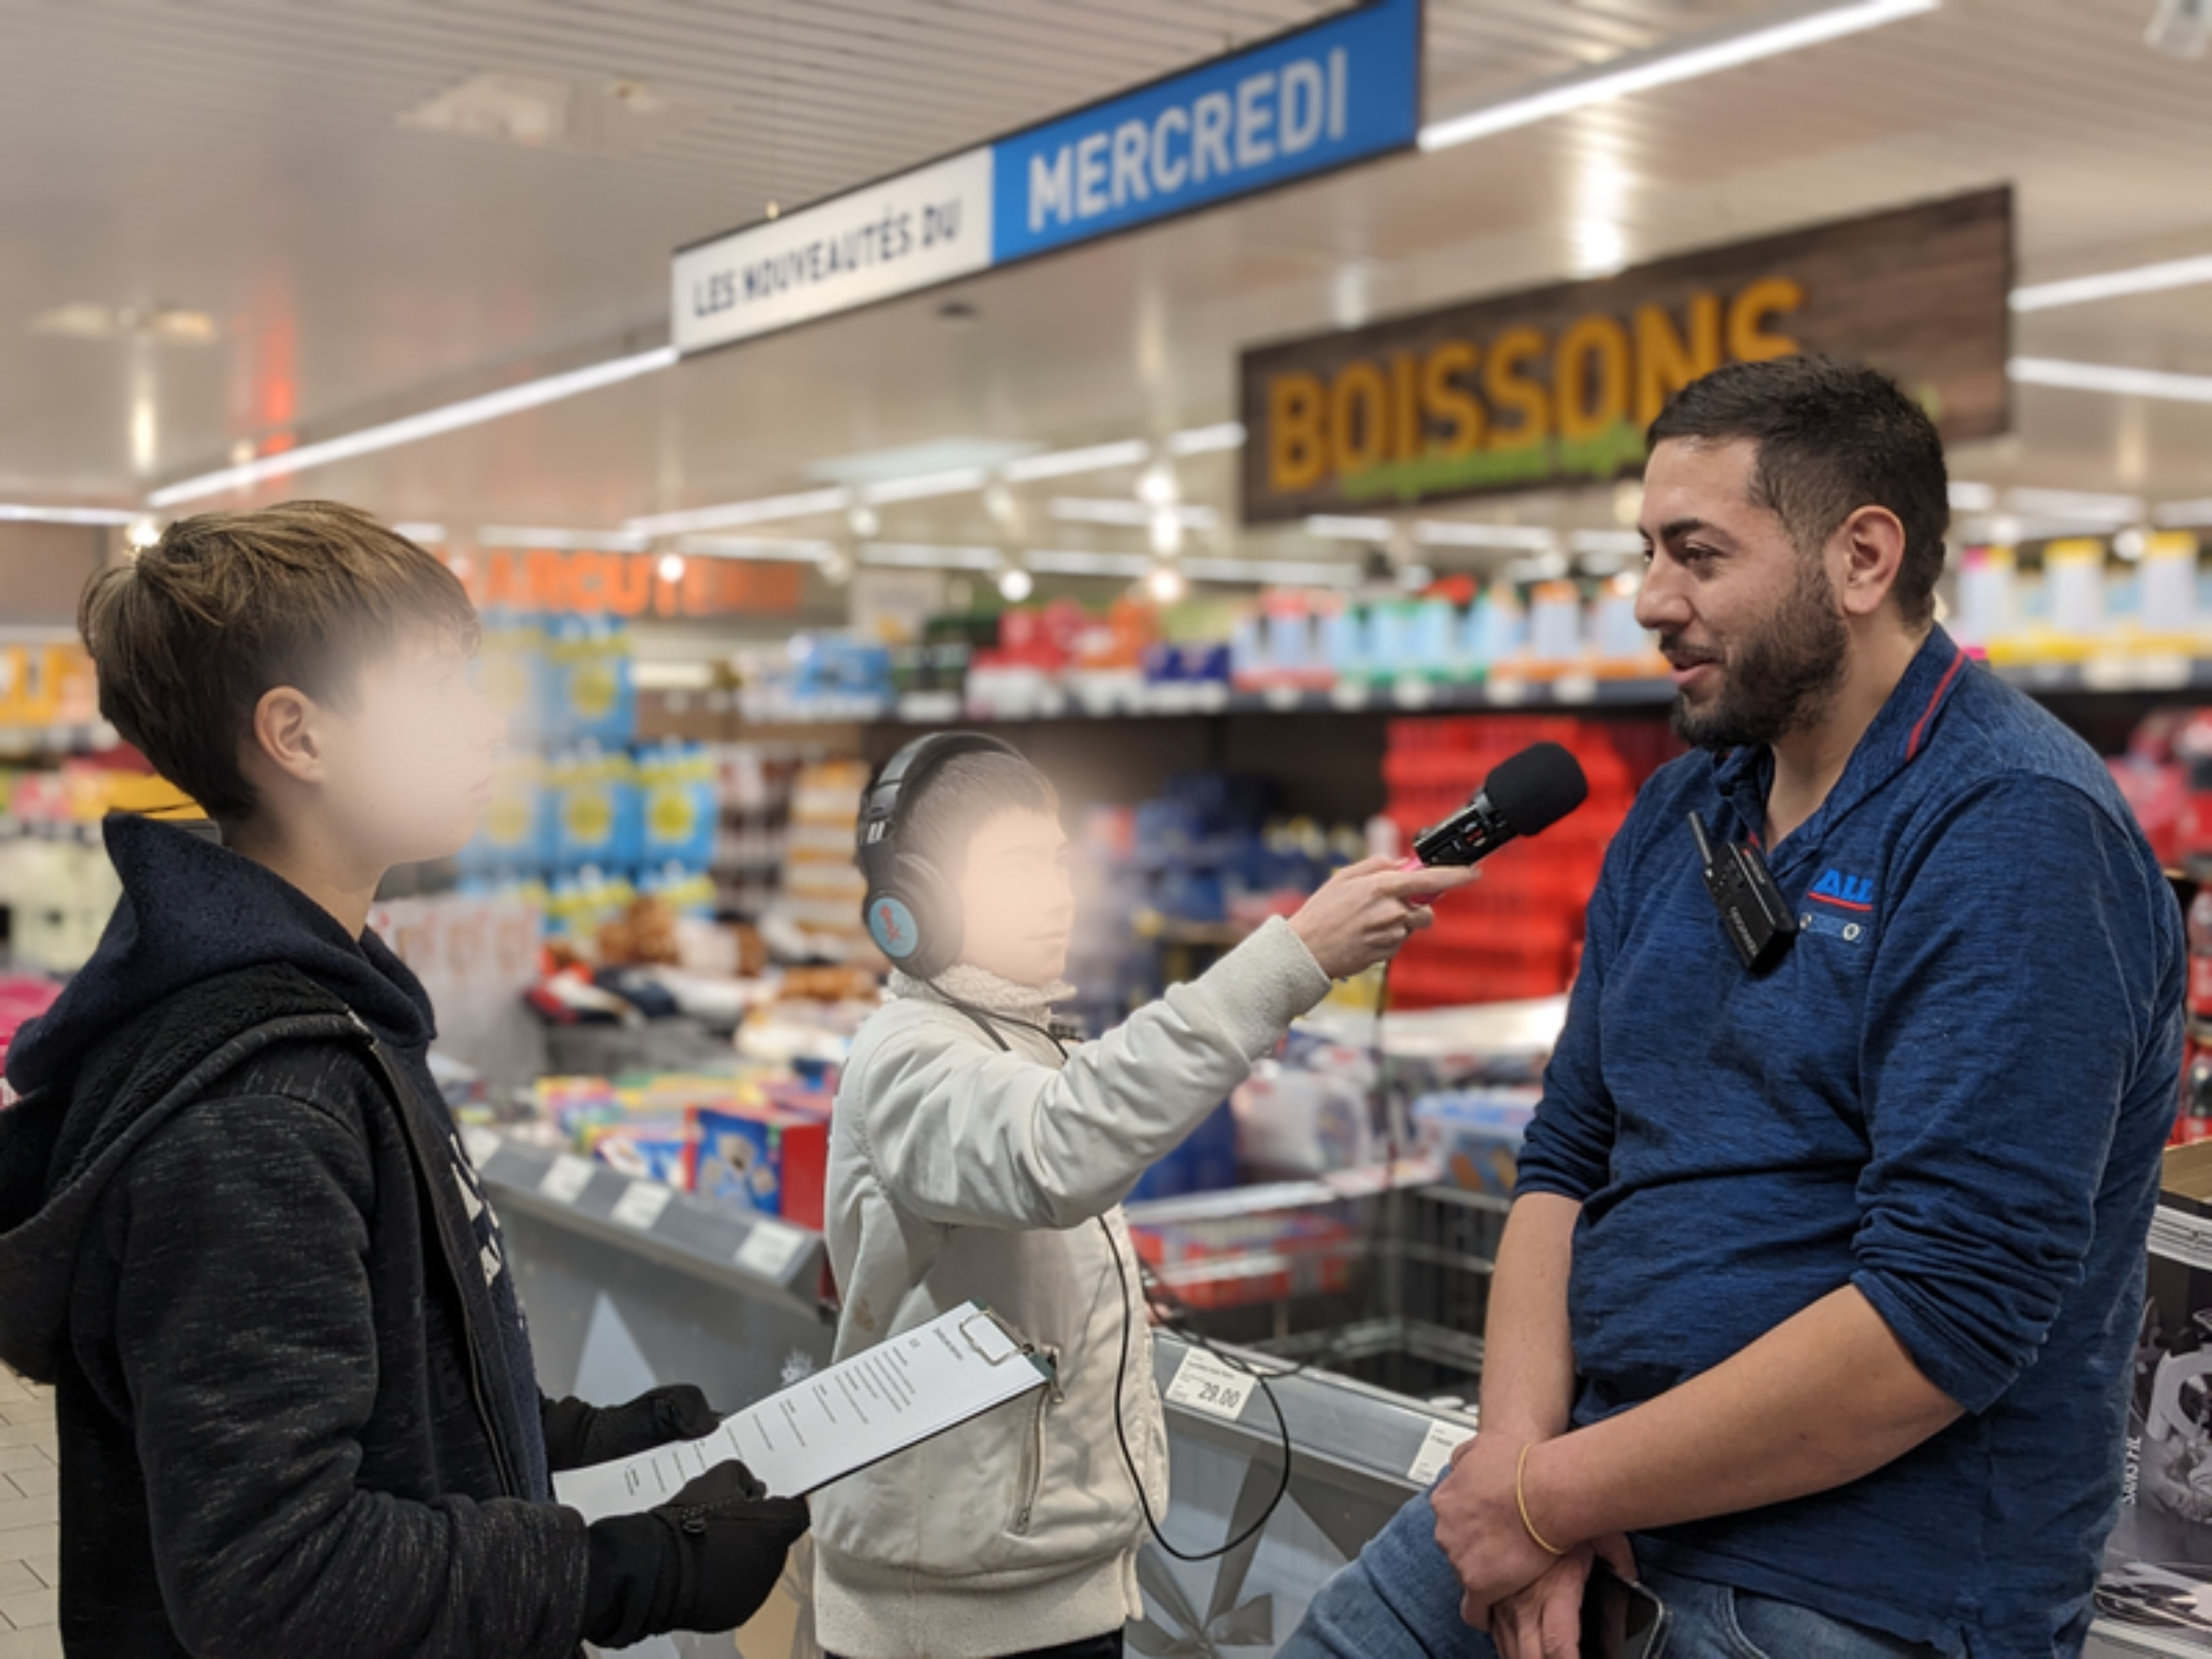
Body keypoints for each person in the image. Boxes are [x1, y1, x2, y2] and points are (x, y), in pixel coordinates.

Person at [1280, 357, 2185, 1659]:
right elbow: (1563, 1159)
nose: (1652, 601)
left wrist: (1547, 1498)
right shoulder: (1682, 807)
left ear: (1860, 558)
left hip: (1849, 1585)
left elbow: (1941, 1318)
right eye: (1647, 551)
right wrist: (1522, 1474)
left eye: (1697, 553)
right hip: (1592, 1487)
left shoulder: (2011, 832)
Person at [0, 503, 808, 1656]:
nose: (487, 728)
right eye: (441, 687)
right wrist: (633, 1569)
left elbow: (393, 1404)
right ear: (300, 736)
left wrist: (595, 1442)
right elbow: (276, 1580)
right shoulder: (259, 1114)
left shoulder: (335, 1014)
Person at [813, 732, 1478, 1659]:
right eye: (1013, 870)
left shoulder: (1019, 1039)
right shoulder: (907, 1061)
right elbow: (1057, 1147)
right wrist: (1293, 962)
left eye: (1056, 862)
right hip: (951, 1632)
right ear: (914, 903)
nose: (1056, 895)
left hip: (1054, 1599)